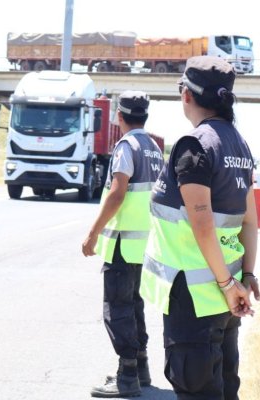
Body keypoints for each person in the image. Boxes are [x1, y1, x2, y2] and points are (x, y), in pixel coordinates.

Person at [140, 56, 260, 400]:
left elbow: (202, 225)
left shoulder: (194, 145)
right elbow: (251, 220)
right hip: (224, 299)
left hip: (195, 299)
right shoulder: (239, 145)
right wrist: (246, 277)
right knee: (222, 391)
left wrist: (227, 284)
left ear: (187, 95)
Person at [82, 90, 164, 398]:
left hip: (122, 243)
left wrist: (93, 233)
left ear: (119, 115)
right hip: (144, 244)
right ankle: (140, 369)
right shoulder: (153, 148)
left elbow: (117, 193)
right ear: (145, 114)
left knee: (117, 308)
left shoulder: (126, 146)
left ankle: (127, 377)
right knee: (133, 305)